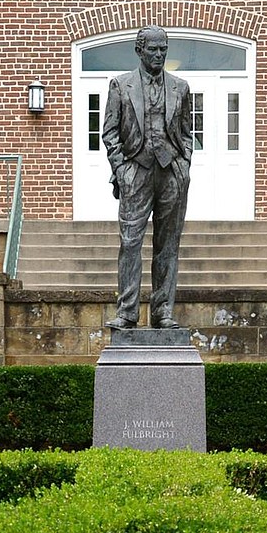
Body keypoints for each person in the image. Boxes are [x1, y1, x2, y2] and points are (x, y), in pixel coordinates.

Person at [102, 25, 193, 330]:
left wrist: (183, 165)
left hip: (170, 174)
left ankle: (163, 311)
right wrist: (122, 170)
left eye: (163, 49)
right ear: (139, 50)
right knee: (130, 243)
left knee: (168, 245)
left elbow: (186, 133)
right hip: (136, 173)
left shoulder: (180, 88)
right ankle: (127, 312)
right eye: (153, 49)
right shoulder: (120, 85)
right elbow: (110, 133)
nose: (158, 55)